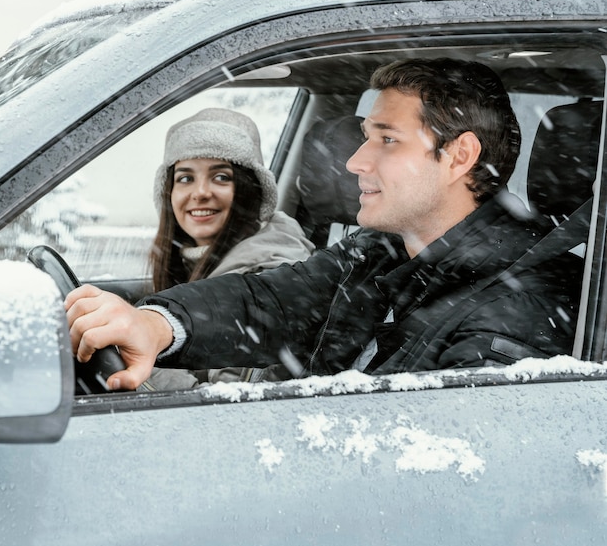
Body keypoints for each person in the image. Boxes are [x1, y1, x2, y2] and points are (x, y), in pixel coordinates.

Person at [66, 58, 584, 391]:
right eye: (364, 137)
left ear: (458, 156)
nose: (355, 162)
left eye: (385, 139)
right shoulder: (383, 249)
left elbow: (424, 469)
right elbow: (269, 303)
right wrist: (155, 324)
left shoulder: (520, 309)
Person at [146, 107, 314, 389]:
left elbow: (230, 405)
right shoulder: (198, 260)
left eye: (221, 177)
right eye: (185, 178)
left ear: (250, 189)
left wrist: (139, 363)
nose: (200, 192)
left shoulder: (268, 279)